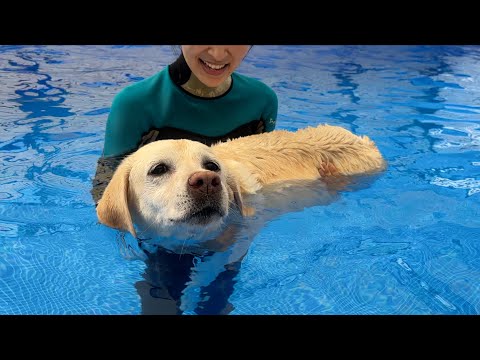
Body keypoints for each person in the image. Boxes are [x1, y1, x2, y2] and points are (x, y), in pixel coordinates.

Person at [91, 45, 278, 203]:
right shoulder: (135, 104)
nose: (218, 54)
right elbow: (106, 192)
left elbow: (261, 182)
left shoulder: (262, 102)